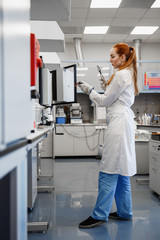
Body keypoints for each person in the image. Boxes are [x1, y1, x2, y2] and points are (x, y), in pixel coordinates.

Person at [78, 43, 138, 228]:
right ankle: (124, 212)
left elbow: (104, 101)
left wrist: (89, 90)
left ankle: (99, 215)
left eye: (113, 56)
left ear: (123, 57)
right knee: (121, 172)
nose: (110, 60)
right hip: (123, 122)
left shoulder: (121, 74)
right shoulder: (129, 73)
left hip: (119, 124)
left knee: (109, 169)